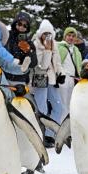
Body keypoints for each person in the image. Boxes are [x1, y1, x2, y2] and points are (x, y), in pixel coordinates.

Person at [31, 19, 64, 147]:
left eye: (49, 34)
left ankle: (50, 134)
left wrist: (61, 74)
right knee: (42, 108)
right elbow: (41, 65)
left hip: (52, 80)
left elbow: (58, 63)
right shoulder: (36, 45)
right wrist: (47, 50)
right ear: (40, 34)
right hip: (40, 78)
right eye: (45, 34)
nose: (47, 36)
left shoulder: (54, 45)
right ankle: (41, 135)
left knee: (58, 107)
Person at [4, 12, 38, 85]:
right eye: (19, 24)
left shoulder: (29, 43)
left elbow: (33, 64)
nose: (21, 27)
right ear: (15, 23)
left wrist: (29, 51)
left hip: (20, 79)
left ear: (27, 28)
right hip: (4, 76)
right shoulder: (6, 36)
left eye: (25, 25)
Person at [57, 27, 82, 122]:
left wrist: (79, 76)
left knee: (70, 104)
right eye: (69, 35)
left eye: (73, 36)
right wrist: (60, 75)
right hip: (63, 79)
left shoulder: (76, 50)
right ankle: (60, 125)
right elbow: (57, 63)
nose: (71, 38)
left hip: (73, 80)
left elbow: (78, 66)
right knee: (62, 103)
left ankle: (68, 126)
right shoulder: (60, 47)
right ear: (65, 36)